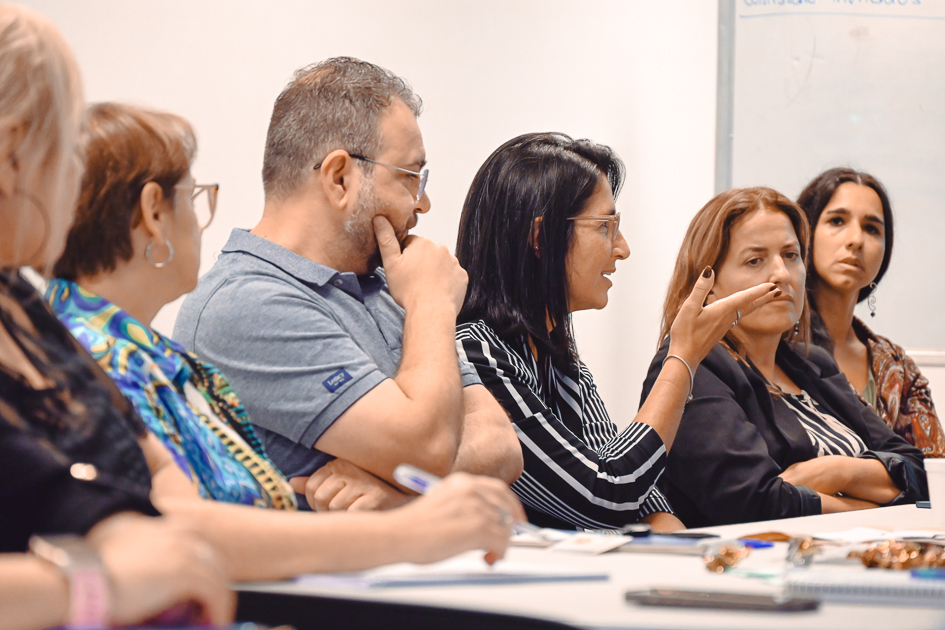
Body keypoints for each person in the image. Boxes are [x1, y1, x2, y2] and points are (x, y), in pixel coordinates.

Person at [1, 11, 520, 626]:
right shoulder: (225, 312)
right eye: (64, 150)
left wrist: (394, 494)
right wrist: (412, 521)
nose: (73, 178)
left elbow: (499, 442)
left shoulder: (42, 321)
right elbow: (168, 525)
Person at [174, 57, 523, 508]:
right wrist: (433, 304)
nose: (425, 203)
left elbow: (500, 446)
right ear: (340, 178)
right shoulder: (245, 303)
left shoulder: (388, 283)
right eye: (411, 177)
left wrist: (391, 489)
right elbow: (428, 447)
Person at [0, 4, 231, 627]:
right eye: (69, 147)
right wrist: (90, 583)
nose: (74, 181)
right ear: (14, 152)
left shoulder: (21, 303)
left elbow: (154, 485)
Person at [453, 133, 779, 530]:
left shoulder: (557, 357)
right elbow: (608, 493)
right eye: (606, 226)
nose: (622, 248)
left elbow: (631, 482)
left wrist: (678, 548)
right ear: (540, 238)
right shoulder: (477, 352)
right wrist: (683, 356)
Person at [642, 186, 927, 528]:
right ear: (710, 284)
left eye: (791, 255)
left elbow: (916, 469)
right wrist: (877, 512)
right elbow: (752, 501)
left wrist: (835, 472)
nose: (781, 274)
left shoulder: (813, 364)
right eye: (755, 260)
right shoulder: (692, 366)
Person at [797, 168, 944, 457]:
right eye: (837, 220)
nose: (856, 240)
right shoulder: (772, 347)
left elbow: (933, 474)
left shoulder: (898, 368)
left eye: (872, 228)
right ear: (806, 232)